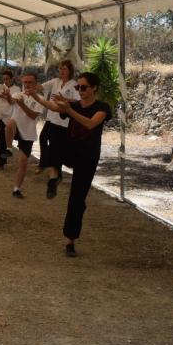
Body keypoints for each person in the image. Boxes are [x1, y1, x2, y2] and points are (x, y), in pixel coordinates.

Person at [31, 72, 112, 257]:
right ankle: (54, 175)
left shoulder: (102, 107)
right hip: (71, 151)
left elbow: (90, 124)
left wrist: (69, 110)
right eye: (78, 87)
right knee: (54, 131)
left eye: (83, 87)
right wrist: (35, 96)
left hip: (88, 157)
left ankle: (70, 240)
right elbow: (53, 106)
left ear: (94, 88)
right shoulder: (73, 105)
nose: (80, 91)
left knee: (76, 200)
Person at [37, 60, 79, 196]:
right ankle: (44, 163)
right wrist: (30, 85)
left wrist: (64, 100)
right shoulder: (55, 81)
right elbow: (41, 87)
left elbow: (78, 101)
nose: (61, 71)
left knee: (56, 147)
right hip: (51, 117)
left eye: (64, 69)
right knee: (43, 138)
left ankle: (55, 174)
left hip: (63, 122)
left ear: (70, 71)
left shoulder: (74, 85)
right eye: (60, 68)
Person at [3, 72, 45, 198]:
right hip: (15, 127)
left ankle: (17, 188)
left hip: (27, 132)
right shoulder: (18, 94)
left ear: (36, 83)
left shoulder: (40, 99)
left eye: (30, 82)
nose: (27, 84)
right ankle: (9, 148)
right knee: (10, 123)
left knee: (23, 162)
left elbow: (33, 116)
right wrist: (7, 96)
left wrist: (21, 104)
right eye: (25, 82)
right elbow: (11, 101)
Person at [0, 70, 20, 170]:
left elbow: (12, 102)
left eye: (7, 79)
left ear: (12, 79)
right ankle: (1, 162)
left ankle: (20, 155)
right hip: (2, 116)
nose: (5, 81)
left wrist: (4, 96)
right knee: (2, 140)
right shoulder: (2, 87)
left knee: (17, 137)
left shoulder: (16, 89)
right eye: (4, 79)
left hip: (13, 116)